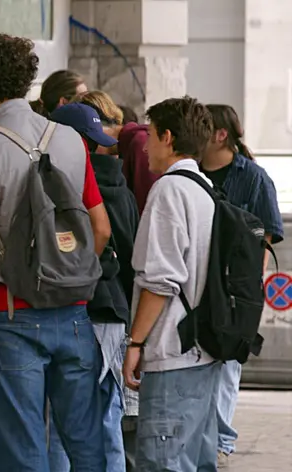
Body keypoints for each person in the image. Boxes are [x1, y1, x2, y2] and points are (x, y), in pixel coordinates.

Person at [0, 35, 111, 470]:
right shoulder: (70, 140)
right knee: (84, 440)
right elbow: (100, 227)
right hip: (73, 309)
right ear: (30, 80)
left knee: (21, 443)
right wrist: (71, 271)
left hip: (11, 312)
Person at [121, 96, 221, 471]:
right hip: (203, 352)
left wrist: (135, 343)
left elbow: (160, 280)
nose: (144, 146)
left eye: (149, 135)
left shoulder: (169, 190)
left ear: (167, 137)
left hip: (172, 353)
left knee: (163, 462)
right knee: (195, 461)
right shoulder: (204, 188)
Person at [51, 102, 140, 472]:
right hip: (114, 311)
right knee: (107, 414)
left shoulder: (58, 184)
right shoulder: (121, 189)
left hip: (76, 307)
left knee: (60, 420)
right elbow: (135, 259)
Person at [201, 104, 283, 467]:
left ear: (221, 134)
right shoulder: (190, 172)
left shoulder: (253, 178)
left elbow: (264, 239)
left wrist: (245, 292)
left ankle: (220, 443)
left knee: (227, 368)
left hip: (234, 289)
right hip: (196, 284)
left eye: (203, 126)